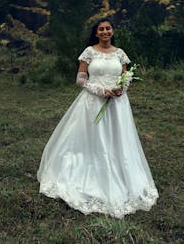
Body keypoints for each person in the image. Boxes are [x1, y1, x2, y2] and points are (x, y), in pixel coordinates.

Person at [37, 18, 158, 218]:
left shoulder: (120, 53)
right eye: (101, 29)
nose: (105, 31)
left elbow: (125, 76)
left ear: (112, 31)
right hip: (92, 102)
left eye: (108, 28)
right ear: (96, 33)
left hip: (117, 104)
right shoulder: (89, 52)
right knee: (91, 138)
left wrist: (122, 89)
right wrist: (100, 90)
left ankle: (121, 172)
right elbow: (80, 79)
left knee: (117, 138)